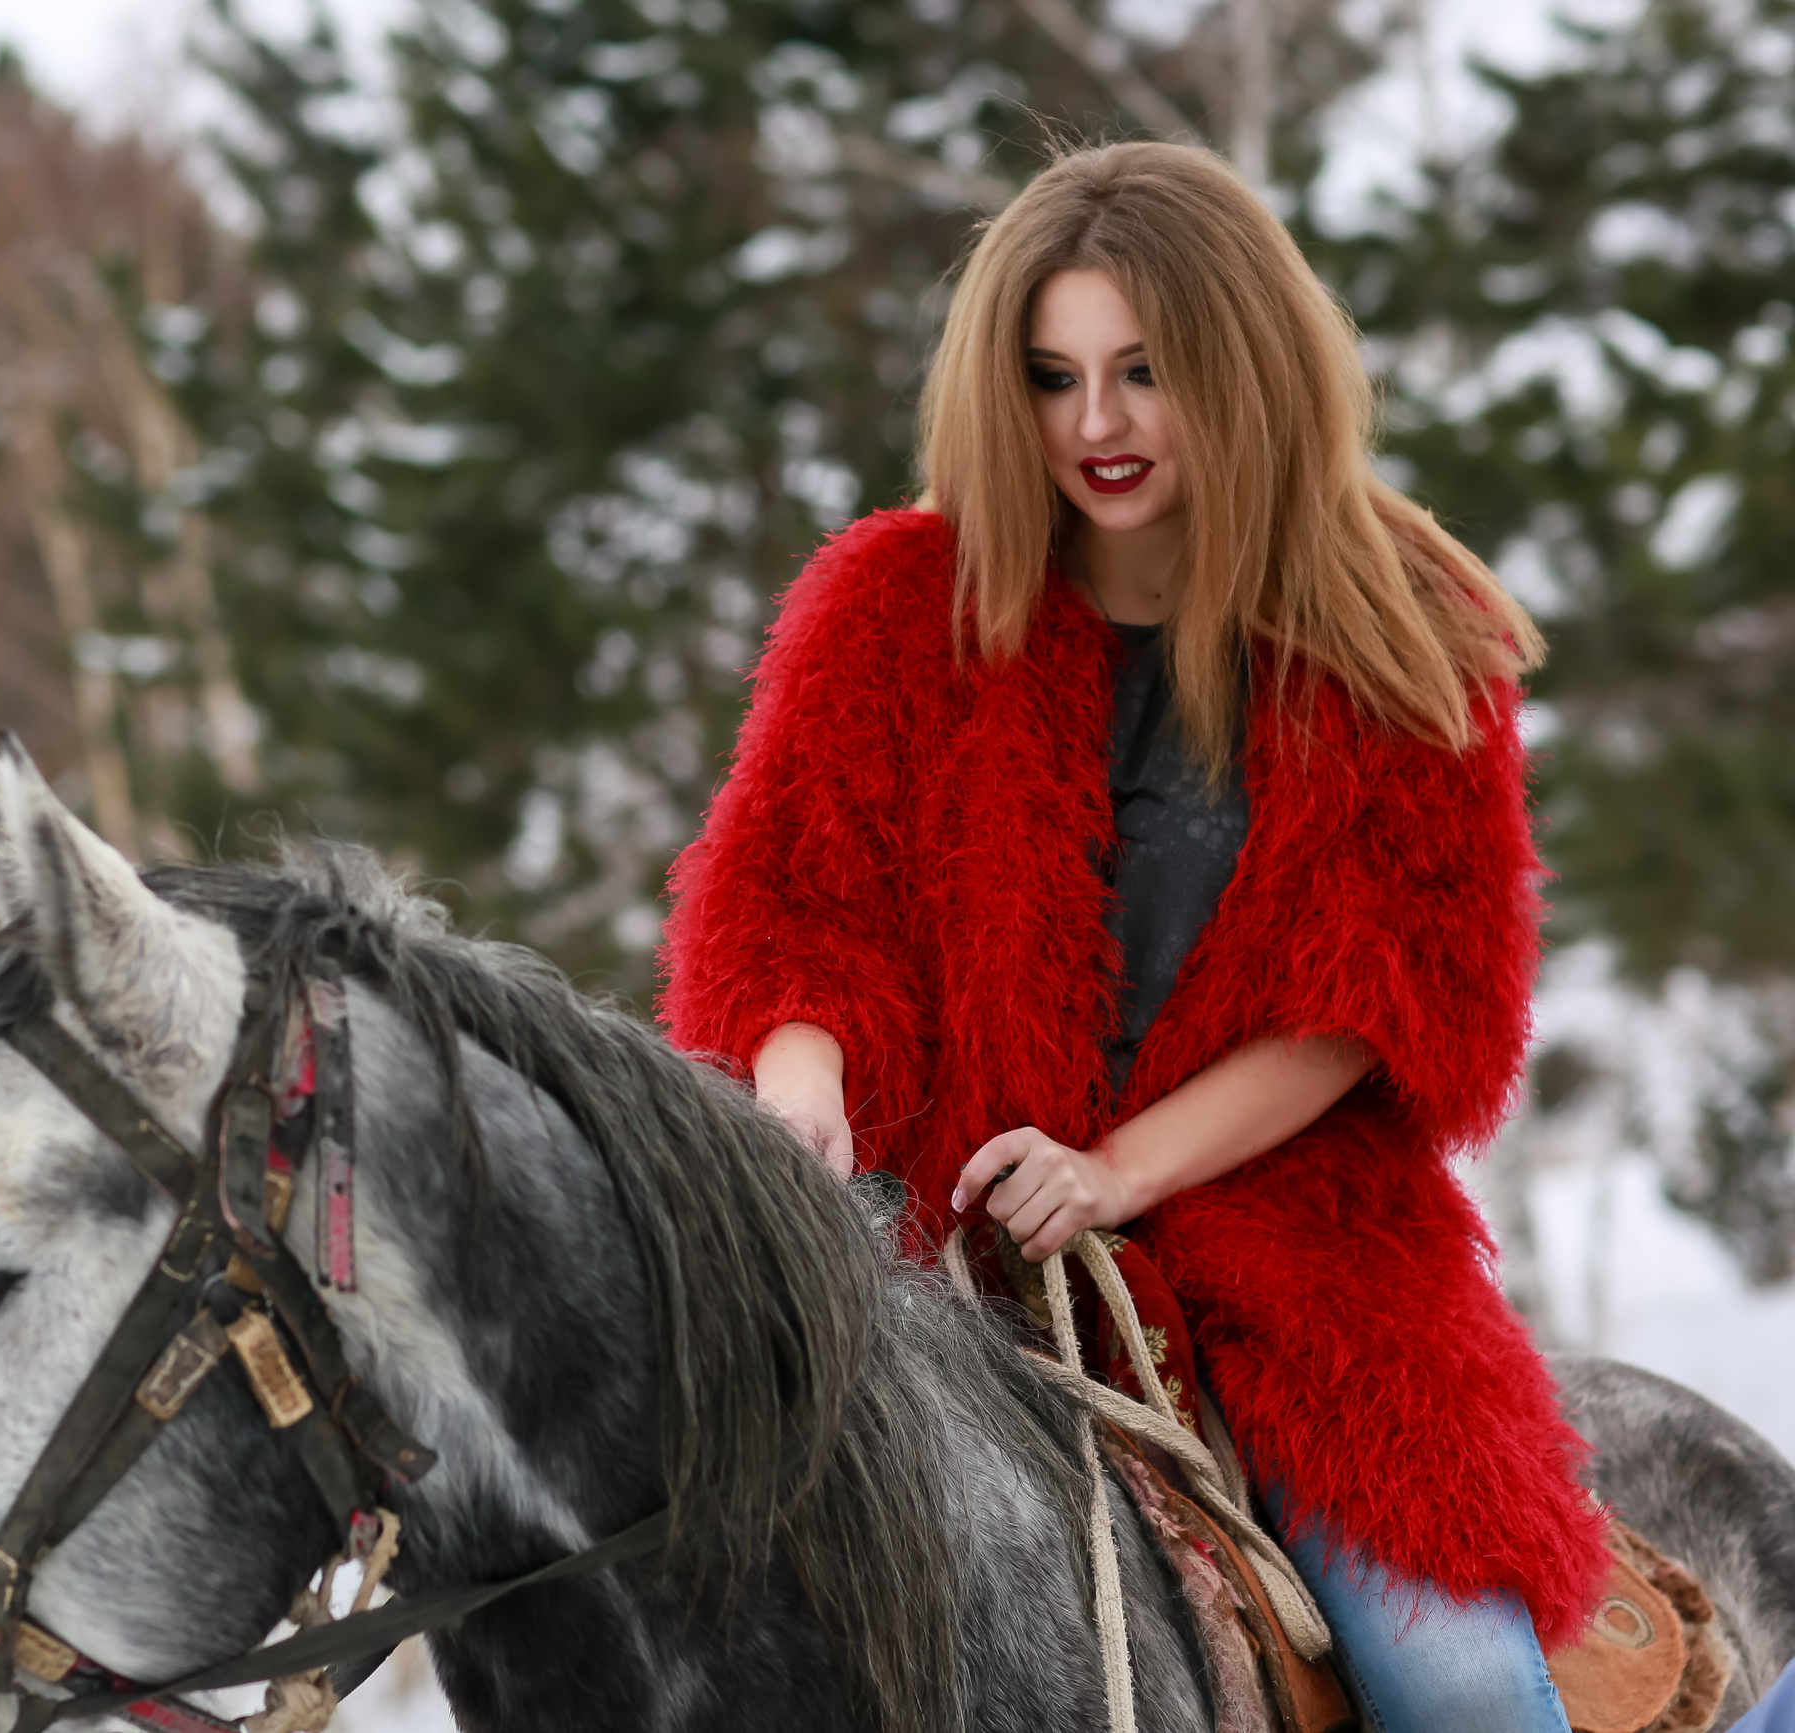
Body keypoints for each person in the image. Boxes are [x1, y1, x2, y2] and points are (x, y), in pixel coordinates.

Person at [656, 141, 1608, 1731]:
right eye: (1053, 376)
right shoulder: (899, 603)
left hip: (1297, 1266)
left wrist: (1117, 1172)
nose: (1095, 425)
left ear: (1241, 364)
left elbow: (1372, 1005)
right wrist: (796, 1083)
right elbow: (791, 901)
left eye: (1145, 371)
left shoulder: (1402, 629)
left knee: (1461, 1688)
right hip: (942, 1256)